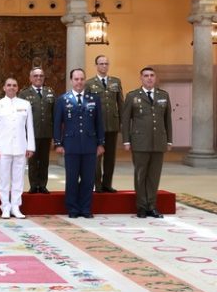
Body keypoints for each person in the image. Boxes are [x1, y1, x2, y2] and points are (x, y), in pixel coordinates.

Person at [121, 67, 173, 219]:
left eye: (152, 75)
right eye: (146, 76)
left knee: (154, 176)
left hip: (158, 142)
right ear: (141, 78)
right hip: (140, 142)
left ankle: (152, 205)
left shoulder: (163, 95)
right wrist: (126, 140)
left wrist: (169, 140)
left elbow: (167, 120)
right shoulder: (132, 96)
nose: (149, 78)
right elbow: (125, 120)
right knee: (140, 175)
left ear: (155, 78)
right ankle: (142, 206)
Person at [53, 68, 105, 219]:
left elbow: (99, 123)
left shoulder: (94, 99)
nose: (79, 82)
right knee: (72, 179)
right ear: (71, 81)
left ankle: (86, 208)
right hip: (71, 145)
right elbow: (57, 123)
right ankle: (73, 208)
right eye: (76, 79)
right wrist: (58, 143)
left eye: (82, 79)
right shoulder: (63, 99)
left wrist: (101, 143)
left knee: (88, 179)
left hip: (90, 145)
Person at [0, 78, 35, 219]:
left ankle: (16, 206)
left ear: (18, 88)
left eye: (14, 85)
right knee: (3, 179)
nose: (11, 87)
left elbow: (30, 128)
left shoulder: (25, 104)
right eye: (8, 85)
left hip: (21, 147)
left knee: (18, 179)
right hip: (2, 148)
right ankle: (5, 207)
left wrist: (30, 146)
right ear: (4, 88)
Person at [85, 55, 124, 193]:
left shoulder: (116, 82)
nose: (104, 66)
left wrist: (122, 123)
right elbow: (86, 106)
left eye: (106, 63)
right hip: (96, 126)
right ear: (96, 65)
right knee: (96, 157)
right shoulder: (89, 83)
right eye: (101, 63)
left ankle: (107, 184)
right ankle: (98, 184)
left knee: (110, 157)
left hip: (112, 124)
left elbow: (120, 103)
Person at [18, 67, 55, 193]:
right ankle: (34, 185)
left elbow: (54, 114)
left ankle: (43, 185)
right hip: (31, 134)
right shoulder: (24, 94)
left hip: (46, 133)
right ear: (30, 78)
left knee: (44, 161)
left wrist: (55, 135)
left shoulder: (50, 92)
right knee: (33, 161)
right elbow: (21, 117)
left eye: (41, 76)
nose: (38, 78)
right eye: (36, 76)